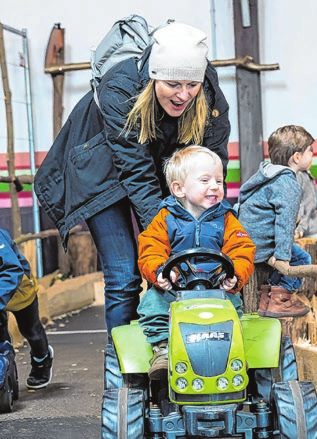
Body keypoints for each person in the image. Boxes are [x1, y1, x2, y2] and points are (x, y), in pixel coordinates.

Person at [34, 22, 231, 337]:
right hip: (102, 170)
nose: (184, 95)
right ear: (154, 76)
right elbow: (136, 173)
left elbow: (211, 161)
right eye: (173, 84)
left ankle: (173, 345)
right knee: (125, 273)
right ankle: (123, 370)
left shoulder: (208, 93)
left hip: (160, 165)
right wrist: (167, 235)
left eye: (191, 85)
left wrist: (212, 219)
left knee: (190, 257)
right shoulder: (120, 88)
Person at [137, 146, 255, 379]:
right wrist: (160, 272)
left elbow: (242, 249)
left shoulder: (226, 218)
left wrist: (235, 275)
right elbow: (150, 248)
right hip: (175, 289)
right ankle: (162, 348)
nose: (215, 186)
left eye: (219, 181)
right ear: (179, 189)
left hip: (217, 289)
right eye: (205, 180)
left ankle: (231, 351)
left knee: (234, 308)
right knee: (153, 304)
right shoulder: (166, 218)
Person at [236, 125, 314, 319]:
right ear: (296, 157)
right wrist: (282, 256)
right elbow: (284, 224)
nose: (312, 155)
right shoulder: (287, 184)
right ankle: (280, 300)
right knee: (303, 260)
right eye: (310, 151)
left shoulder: (267, 174)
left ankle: (266, 298)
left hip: (247, 239)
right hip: (261, 245)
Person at [0, 229, 53, 389]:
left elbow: (12, 270)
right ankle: (6, 373)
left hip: (19, 289)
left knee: (31, 330)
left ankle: (41, 360)